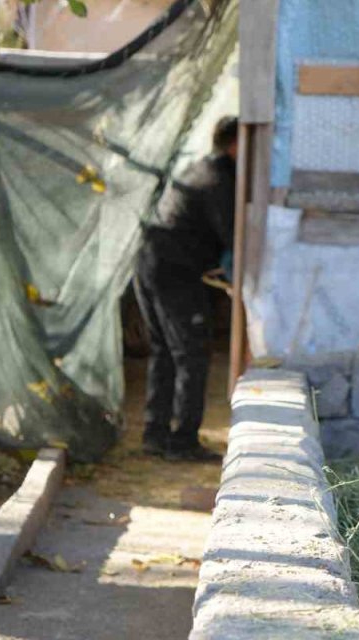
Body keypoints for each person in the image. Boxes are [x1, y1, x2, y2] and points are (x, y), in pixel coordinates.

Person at [133, 116, 237, 461]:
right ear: (236, 144)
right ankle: (183, 442)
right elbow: (233, 236)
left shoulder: (199, 169)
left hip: (149, 262)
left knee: (165, 350)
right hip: (173, 270)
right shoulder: (219, 179)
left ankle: (155, 434)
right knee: (191, 352)